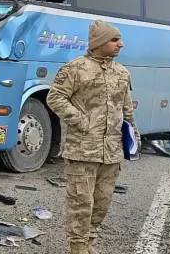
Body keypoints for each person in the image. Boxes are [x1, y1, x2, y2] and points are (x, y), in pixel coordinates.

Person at [47, 20, 140, 254]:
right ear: (99, 43)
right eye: (114, 39)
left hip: (111, 152)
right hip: (82, 150)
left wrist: (133, 137)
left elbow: (126, 109)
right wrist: (80, 120)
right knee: (81, 204)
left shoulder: (122, 73)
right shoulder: (74, 69)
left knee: (102, 202)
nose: (121, 44)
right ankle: (77, 248)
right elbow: (55, 98)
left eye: (119, 39)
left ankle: (89, 244)